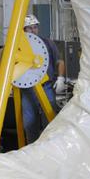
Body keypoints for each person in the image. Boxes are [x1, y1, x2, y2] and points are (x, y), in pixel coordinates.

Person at [20, 13, 66, 144]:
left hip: (46, 87)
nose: (33, 30)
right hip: (27, 90)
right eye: (29, 28)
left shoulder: (47, 43)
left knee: (50, 122)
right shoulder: (18, 46)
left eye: (35, 27)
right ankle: (31, 150)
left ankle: (49, 148)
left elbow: (60, 61)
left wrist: (61, 78)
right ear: (23, 30)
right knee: (29, 124)